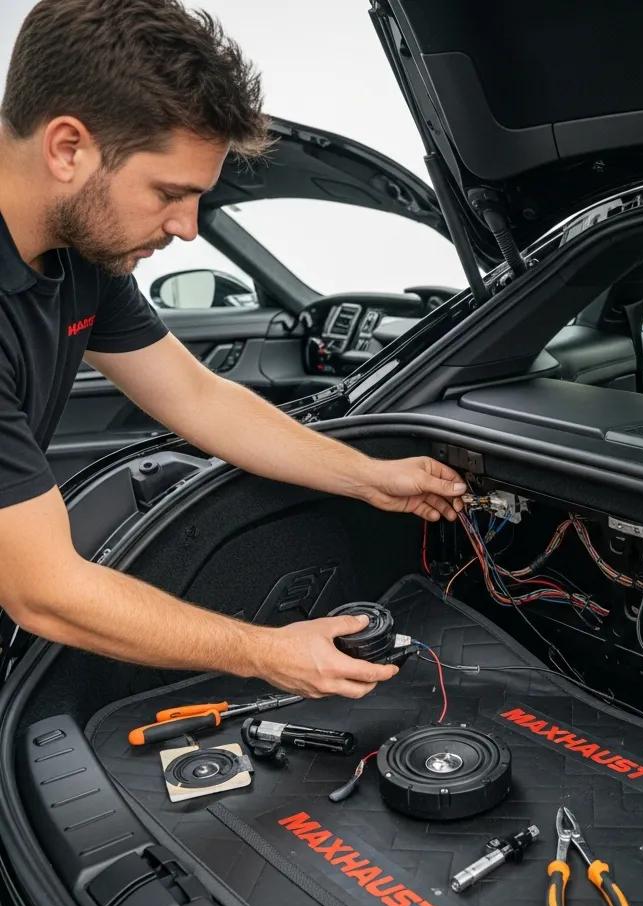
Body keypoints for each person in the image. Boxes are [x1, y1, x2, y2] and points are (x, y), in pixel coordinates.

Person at [0, 0, 466, 699]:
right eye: (170, 193)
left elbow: (197, 397)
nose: (188, 228)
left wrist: (371, 477)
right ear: (68, 148)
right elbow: (43, 591)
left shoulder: (80, 257)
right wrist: (266, 652)